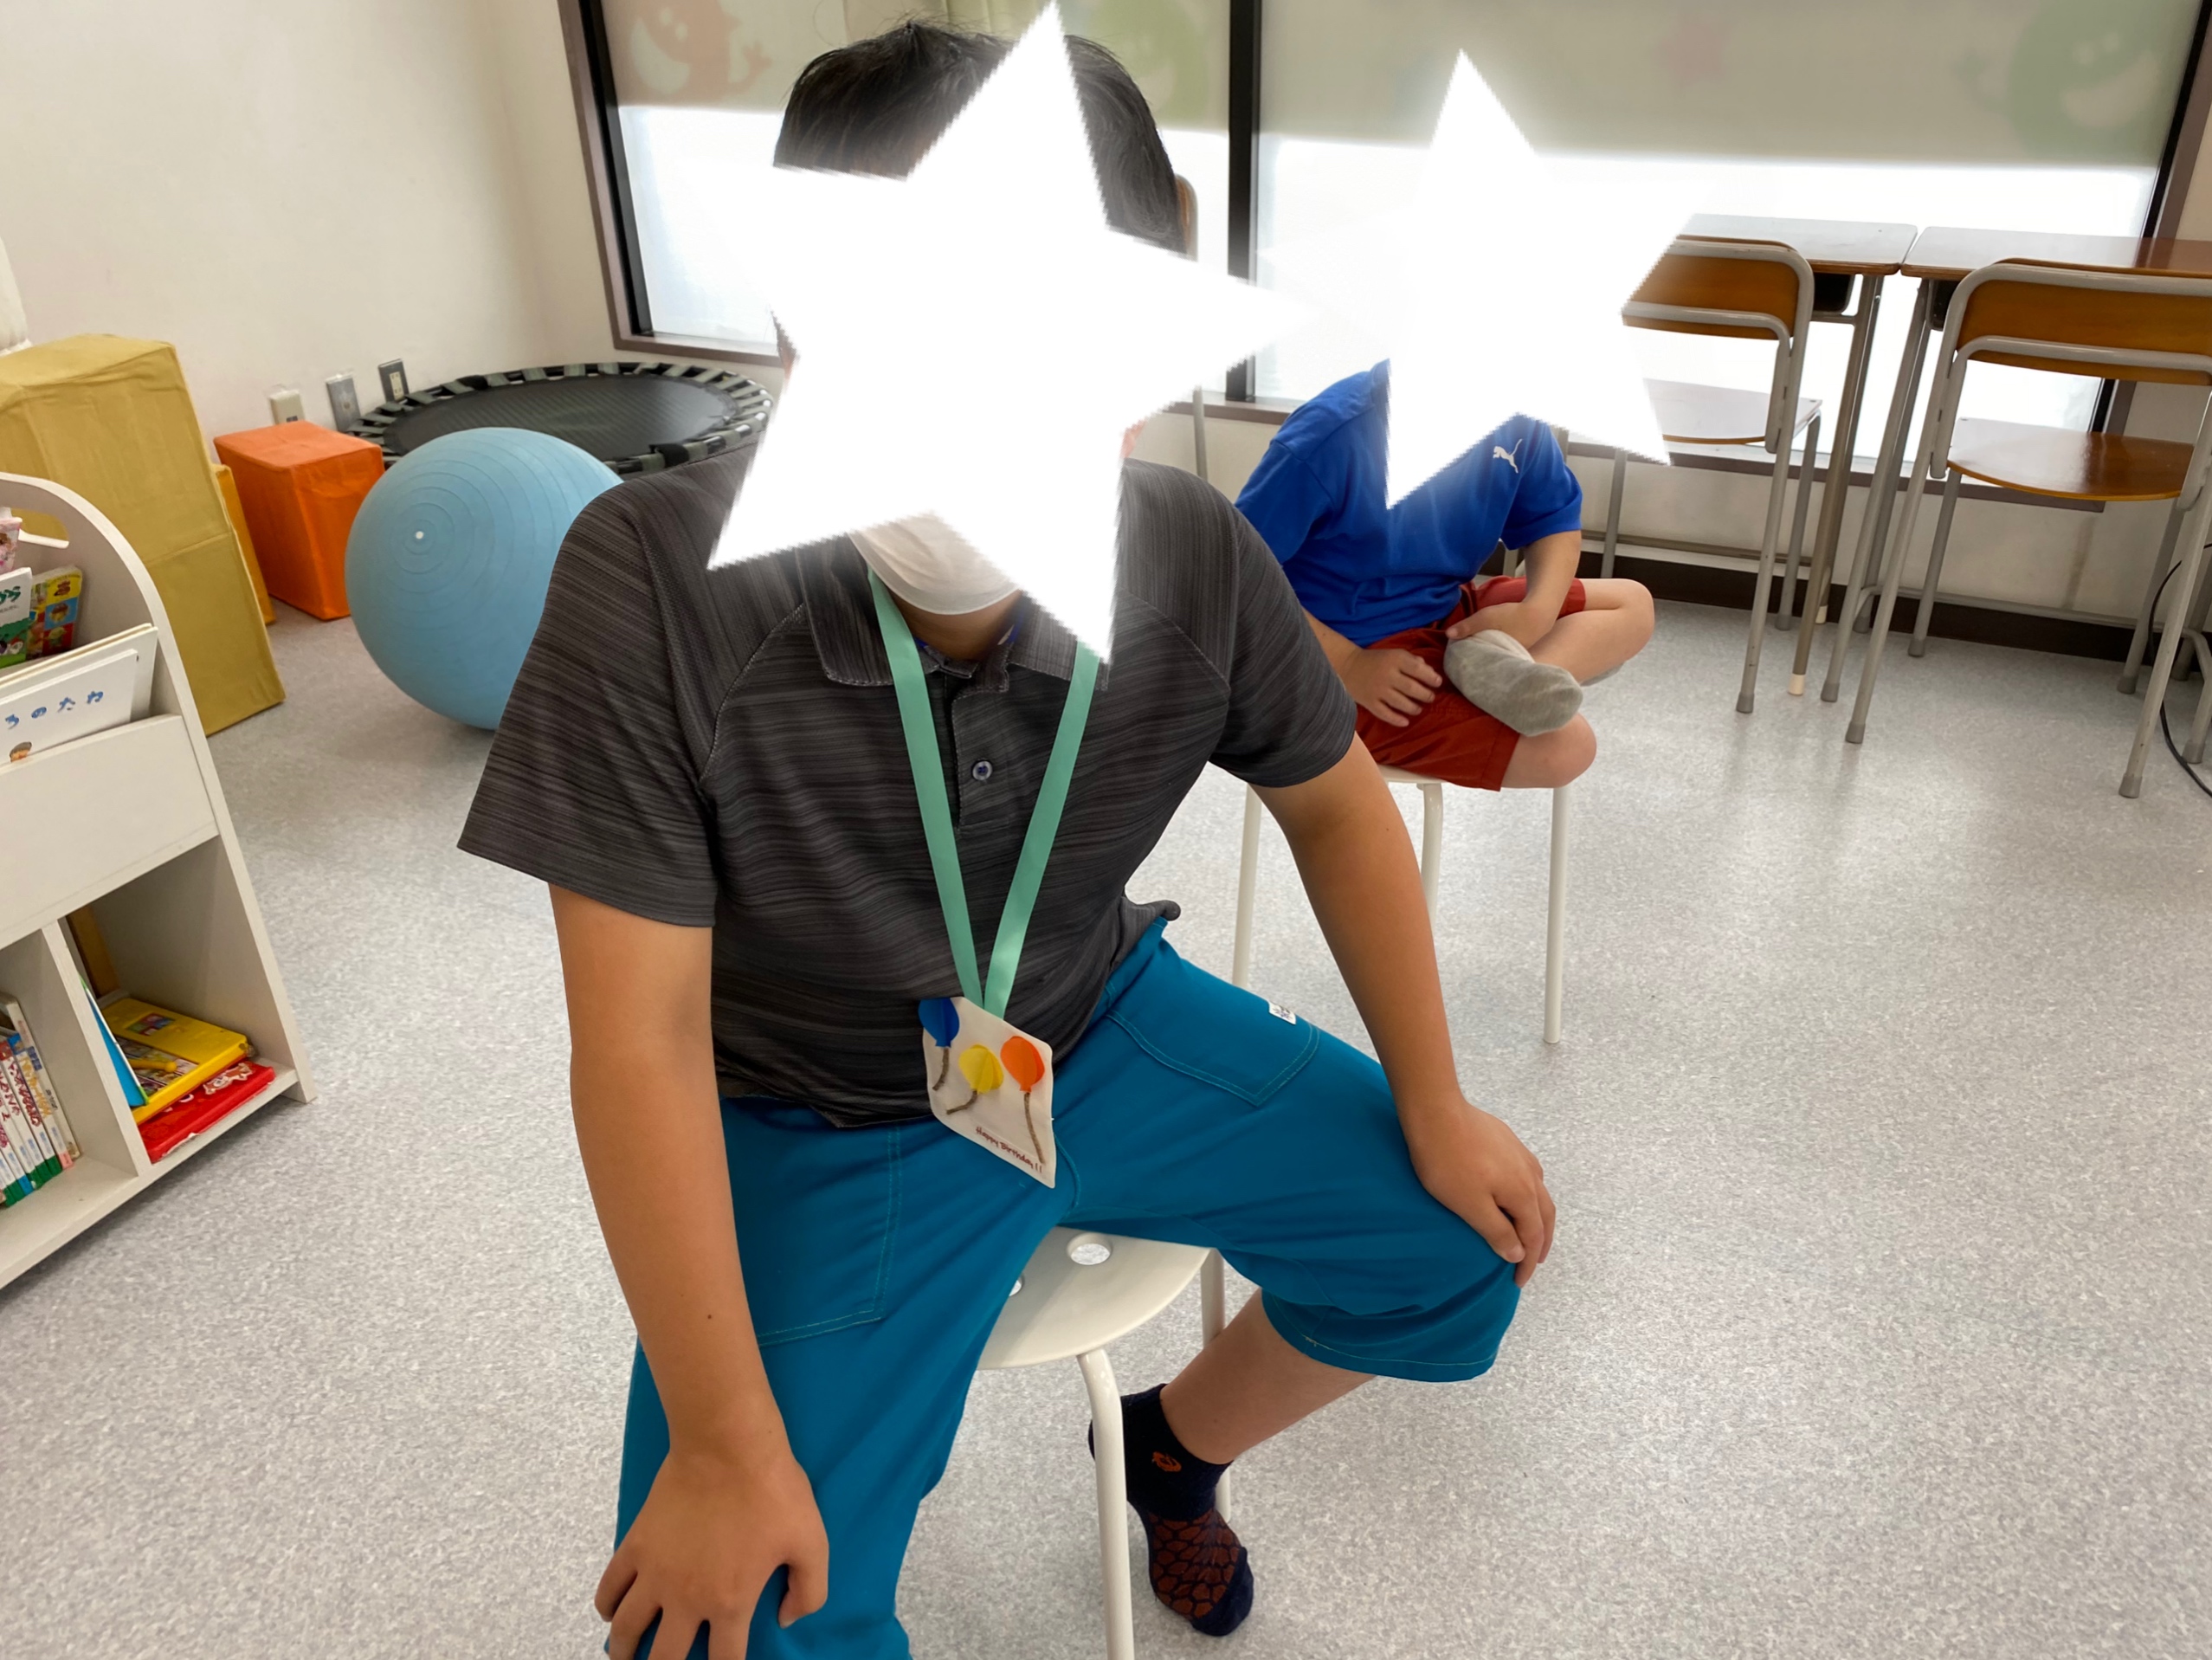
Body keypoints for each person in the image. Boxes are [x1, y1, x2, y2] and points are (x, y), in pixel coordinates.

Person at [461, 23, 1553, 1660]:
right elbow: (638, 1039)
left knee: (1459, 1251)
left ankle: (1171, 1453)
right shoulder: (657, 577)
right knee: (728, 1623)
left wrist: (1433, 1098)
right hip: (817, 1103)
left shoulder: (1188, 552)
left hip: (1091, 1025)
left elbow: (1335, 807)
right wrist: (723, 1444)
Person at [1236, 366, 1655, 792]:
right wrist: (1348, 664)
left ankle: (1504, 672)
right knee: (1567, 748)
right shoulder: (1330, 436)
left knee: (1632, 603)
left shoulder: (1515, 414)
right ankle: (1495, 677)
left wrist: (1538, 613)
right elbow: (1233, 577)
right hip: (1338, 659)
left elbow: (1554, 523)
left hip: (1447, 613)